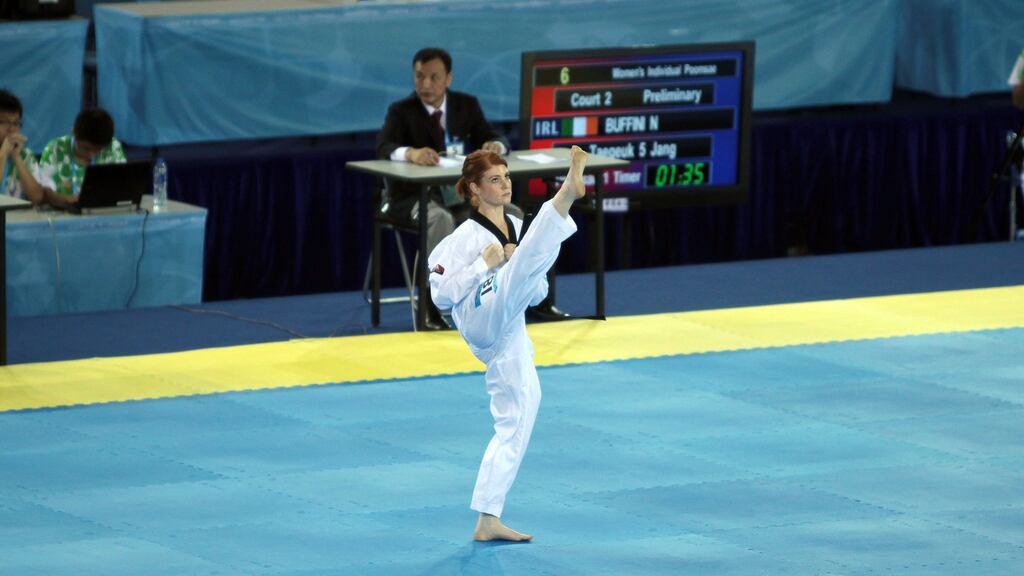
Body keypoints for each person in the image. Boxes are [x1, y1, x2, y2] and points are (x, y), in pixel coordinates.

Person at [427, 145, 588, 541]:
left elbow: (537, 293)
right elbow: (440, 295)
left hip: (510, 328)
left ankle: (488, 518)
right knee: (526, 257)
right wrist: (488, 263)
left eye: (507, 177)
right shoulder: (463, 237)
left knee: (521, 415)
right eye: (495, 180)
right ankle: (566, 195)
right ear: (474, 190)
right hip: (481, 318)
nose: (505, 185)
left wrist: (520, 266)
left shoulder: (517, 225)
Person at [38, 107, 126, 204]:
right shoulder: (55, 148)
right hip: (63, 211)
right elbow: (44, 190)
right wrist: (67, 200)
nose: (91, 155)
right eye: (86, 149)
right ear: (73, 132)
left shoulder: (113, 147)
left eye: (98, 150)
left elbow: (122, 186)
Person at [0, 89, 55, 206]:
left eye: (16, 123)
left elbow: (37, 198)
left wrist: (16, 158)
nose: (11, 129)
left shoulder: (25, 155)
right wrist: (3, 155)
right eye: (4, 122)